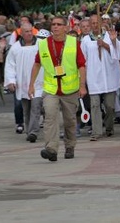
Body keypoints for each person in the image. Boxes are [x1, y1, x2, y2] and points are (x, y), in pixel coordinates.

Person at [28, 16, 87, 162]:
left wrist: (82, 85)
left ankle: (70, 146)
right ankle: (51, 149)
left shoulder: (74, 43)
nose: (55, 27)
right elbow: (37, 64)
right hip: (51, 88)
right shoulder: (43, 44)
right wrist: (31, 84)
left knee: (69, 120)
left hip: (70, 89)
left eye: (59, 24)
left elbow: (81, 65)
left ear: (66, 27)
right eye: (53, 24)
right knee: (50, 117)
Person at [81, 14, 120, 141]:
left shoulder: (110, 36)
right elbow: (83, 60)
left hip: (109, 76)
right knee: (95, 105)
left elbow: (117, 53)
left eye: (96, 22)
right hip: (94, 77)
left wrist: (105, 45)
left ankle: (109, 127)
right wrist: (83, 80)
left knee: (110, 106)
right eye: (92, 23)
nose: (94, 25)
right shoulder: (86, 40)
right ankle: (96, 131)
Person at [4, 23, 45, 142]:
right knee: (26, 109)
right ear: (21, 33)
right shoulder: (15, 48)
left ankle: (33, 132)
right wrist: (11, 81)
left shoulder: (40, 45)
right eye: (26, 31)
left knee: (36, 107)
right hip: (22, 84)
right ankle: (29, 130)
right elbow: (10, 66)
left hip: (38, 82)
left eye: (31, 31)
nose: (29, 33)